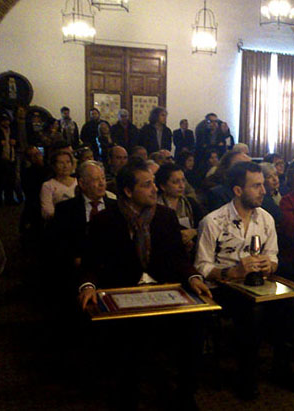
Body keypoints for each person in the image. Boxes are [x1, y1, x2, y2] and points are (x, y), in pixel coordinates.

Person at [78, 158, 211, 409]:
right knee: (129, 334)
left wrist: (193, 277)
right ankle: (127, 392)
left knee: (196, 322)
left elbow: (178, 258)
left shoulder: (165, 217)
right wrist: (88, 286)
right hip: (123, 292)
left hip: (162, 289)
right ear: (128, 191)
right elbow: (91, 263)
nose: (154, 189)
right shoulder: (105, 220)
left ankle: (186, 391)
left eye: (154, 183)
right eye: (147, 184)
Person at [194, 161, 294, 399]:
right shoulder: (213, 221)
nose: (264, 191)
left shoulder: (265, 219)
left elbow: (273, 255)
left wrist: (270, 264)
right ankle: (245, 373)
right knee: (251, 311)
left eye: (263, 185)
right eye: (256, 186)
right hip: (224, 285)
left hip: (259, 283)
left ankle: (282, 367)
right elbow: (201, 266)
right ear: (238, 190)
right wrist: (230, 272)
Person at [50, 160, 116, 281]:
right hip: (75, 270)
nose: (102, 183)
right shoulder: (65, 209)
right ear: (82, 183)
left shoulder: (116, 207)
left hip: (111, 269)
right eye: (95, 179)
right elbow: (58, 244)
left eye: (103, 178)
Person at [156, 163, 205, 255]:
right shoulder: (155, 207)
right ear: (163, 186)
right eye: (175, 182)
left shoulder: (190, 203)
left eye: (183, 180)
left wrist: (194, 232)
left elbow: (205, 224)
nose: (181, 186)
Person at [0, 113, 18, 205]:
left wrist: (15, 142)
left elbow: (17, 141)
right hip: (0, 159)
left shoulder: (12, 130)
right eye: (4, 121)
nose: (6, 123)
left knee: (10, 181)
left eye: (7, 121)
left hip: (11, 157)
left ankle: (9, 199)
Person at [40, 151, 77, 220]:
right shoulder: (48, 185)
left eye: (68, 162)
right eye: (61, 163)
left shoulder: (78, 182)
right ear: (54, 166)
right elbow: (47, 211)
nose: (65, 166)